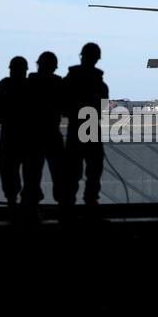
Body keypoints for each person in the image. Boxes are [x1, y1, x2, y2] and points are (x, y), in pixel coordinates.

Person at [62, 43, 109, 206]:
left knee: (72, 172)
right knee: (94, 170)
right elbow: (102, 107)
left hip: (75, 129)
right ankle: (91, 204)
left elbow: (64, 108)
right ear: (96, 59)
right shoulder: (100, 84)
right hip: (92, 129)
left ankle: (68, 208)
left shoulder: (69, 80)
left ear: (82, 56)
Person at [21, 51, 64, 206]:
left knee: (31, 177)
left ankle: (30, 210)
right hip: (52, 134)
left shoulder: (28, 84)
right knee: (60, 176)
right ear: (54, 67)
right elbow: (66, 109)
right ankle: (64, 211)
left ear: (38, 65)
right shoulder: (59, 84)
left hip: (33, 137)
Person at [0, 56, 29, 207]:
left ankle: (12, 201)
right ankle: (27, 203)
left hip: (9, 135)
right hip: (27, 137)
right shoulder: (31, 88)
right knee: (30, 172)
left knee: (8, 170)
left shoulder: (4, 88)